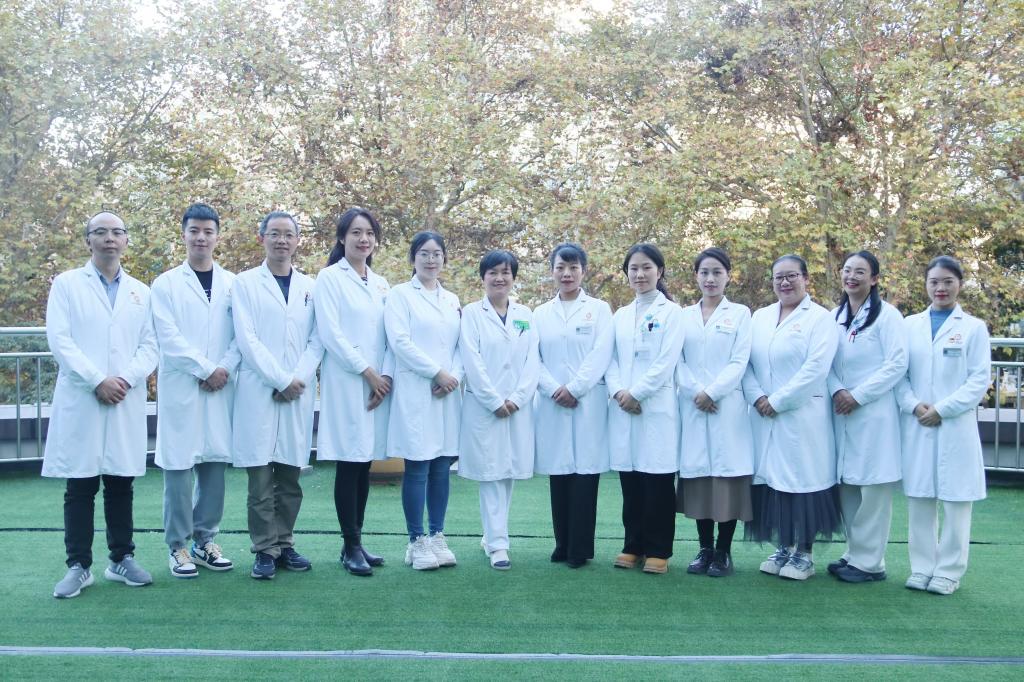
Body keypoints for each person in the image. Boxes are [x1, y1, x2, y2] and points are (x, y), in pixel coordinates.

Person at [45, 211, 159, 598]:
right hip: (84, 396)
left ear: (126, 240)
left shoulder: (141, 292)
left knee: (120, 483)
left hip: (123, 396)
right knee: (80, 486)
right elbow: (60, 340)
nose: (109, 238)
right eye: (101, 232)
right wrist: (97, 380)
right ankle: (78, 566)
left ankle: (121, 559)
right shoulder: (67, 285)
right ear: (87, 240)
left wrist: (123, 379)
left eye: (117, 232)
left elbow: (150, 345)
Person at [231, 211, 322, 580]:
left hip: (297, 392)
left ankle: (285, 544)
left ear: (298, 241)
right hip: (260, 390)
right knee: (260, 482)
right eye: (274, 234)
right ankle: (264, 549)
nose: (282, 240)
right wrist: (280, 379)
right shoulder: (244, 283)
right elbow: (247, 339)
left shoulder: (310, 286)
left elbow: (318, 339)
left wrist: (297, 379)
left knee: (290, 479)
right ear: (262, 238)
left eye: (288, 234)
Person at [151, 203, 238, 578]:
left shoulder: (233, 284)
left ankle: (206, 541)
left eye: (208, 231)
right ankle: (178, 547)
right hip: (183, 386)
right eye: (194, 231)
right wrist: (206, 369)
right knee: (179, 470)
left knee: (215, 467)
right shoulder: (165, 284)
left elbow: (241, 336)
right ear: (184, 234)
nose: (201, 237)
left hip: (221, 386)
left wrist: (224, 369)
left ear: (217, 236)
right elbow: (168, 338)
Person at [895, 255, 991, 595]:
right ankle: (922, 567)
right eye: (934, 281)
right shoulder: (909, 325)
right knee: (920, 499)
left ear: (959, 284)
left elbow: (978, 380)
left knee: (955, 501)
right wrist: (914, 405)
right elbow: (899, 374)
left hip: (954, 426)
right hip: (918, 422)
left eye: (948, 281)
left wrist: (942, 409)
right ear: (925, 284)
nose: (940, 288)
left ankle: (949, 571)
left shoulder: (973, 328)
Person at [742, 254, 841, 581]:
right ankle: (783, 547)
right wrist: (758, 397)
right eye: (778, 277)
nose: (785, 282)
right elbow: (746, 364)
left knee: (803, 483)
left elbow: (816, 369)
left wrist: (778, 401)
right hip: (764, 415)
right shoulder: (760, 317)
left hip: (802, 416)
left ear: (806, 278)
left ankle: (804, 554)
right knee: (774, 483)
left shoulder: (821, 319)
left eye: (791, 276)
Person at [314, 207, 394, 576]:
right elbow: (331, 334)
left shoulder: (380, 284)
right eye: (356, 232)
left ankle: (357, 542)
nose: (364, 239)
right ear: (342, 237)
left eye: (370, 233)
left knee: (364, 464)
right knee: (349, 462)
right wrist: (368, 372)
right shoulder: (329, 278)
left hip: (377, 385)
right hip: (348, 382)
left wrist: (384, 377)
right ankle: (349, 546)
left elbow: (391, 334)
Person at [826, 251, 907, 583]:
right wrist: (837, 390)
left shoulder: (888, 316)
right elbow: (824, 362)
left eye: (860, 272)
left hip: (873, 412)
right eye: (847, 270)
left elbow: (897, 363)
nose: (851, 277)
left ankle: (871, 563)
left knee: (873, 490)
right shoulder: (834, 316)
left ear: (874, 279)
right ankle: (854, 553)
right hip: (841, 412)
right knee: (847, 485)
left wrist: (857, 395)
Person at [384, 231, 462, 571]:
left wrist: (453, 376)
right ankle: (416, 540)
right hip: (417, 390)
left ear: (444, 258)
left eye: (437, 254)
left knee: (442, 465)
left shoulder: (452, 299)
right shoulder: (400, 295)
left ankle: (437, 535)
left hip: (447, 394)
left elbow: (460, 346)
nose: (431, 260)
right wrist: (437, 373)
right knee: (418, 465)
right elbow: (400, 343)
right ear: (413, 258)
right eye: (424, 254)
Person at [533, 243, 614, 569]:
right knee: (560, 473)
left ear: (584, 271)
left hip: (587, 401)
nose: (566, 274)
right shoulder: (540, 313)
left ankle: (580, 548)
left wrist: (576, 388)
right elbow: (533, 359)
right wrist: (555, 390)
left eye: (573, 268)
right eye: (560, 267)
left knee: (585, 475)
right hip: (553, 402)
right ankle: (562, 543)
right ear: (552, 271)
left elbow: (601, 354)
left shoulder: (600, 309)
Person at [606, 243, 685, 574]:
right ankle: (633, 545)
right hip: (624, 407)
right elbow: (610, 360)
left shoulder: (673, 313)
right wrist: (619, 392)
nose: (639, 274)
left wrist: (637, 393)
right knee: (631, 481)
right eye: (633, 269)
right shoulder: (620, 316)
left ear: (660, 271)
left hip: (656, 406)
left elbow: (667, 360)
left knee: (657, 482)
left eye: (646, 267)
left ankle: (658, 550)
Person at [459, 250, 539, 570]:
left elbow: (532, 360)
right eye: (492, 272)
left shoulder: (525, 314)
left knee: (508, 472)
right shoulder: (471, 313)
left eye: (505, 272)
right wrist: (494, 400)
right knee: (491, 473)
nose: (499, 278)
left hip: (517, 408)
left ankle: (492, 535)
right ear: (483, 277)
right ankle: (498, 545)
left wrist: (517, 398)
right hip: (485, 407)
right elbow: (472, 360)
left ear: (513, 278)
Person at [675, 248, 753, 578]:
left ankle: (723, 551)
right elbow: (676, 360)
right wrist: (697, 392)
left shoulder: (741, 314)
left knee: (726, 479)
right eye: (704, 272)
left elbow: (740, 360)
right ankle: (704, 548)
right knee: (700, 481)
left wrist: (713, 392)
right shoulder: (682, 316)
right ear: (696, 276)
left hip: (726, 407)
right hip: (693, 405)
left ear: (728, 276)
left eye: (717, 272)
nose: (710, 278)